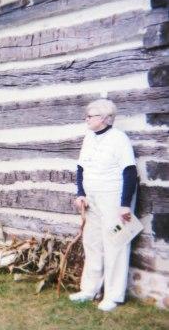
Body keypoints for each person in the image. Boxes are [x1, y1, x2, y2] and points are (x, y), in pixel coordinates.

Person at [69, 99, 137, 312]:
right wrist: (80, 193)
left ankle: (113, 295)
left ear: (106, 118)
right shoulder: (89, 137)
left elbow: (129, 172)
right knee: (92, 243)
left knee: (116, 243)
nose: (86, 119)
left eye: (91, 116)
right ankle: (89, 290)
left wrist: (125, 205)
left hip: (114, 201)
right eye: (87, 115)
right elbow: (81, 168)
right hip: (93, 200)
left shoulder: (119, 139)